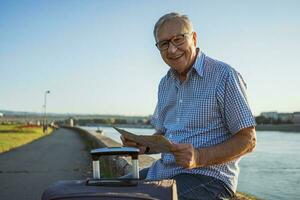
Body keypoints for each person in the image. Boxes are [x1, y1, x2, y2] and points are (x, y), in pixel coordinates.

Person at [121, 12, 256, 200]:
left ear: (193, 37)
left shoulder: (224, 75)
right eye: (164, 44)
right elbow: (164, 136)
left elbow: (248, 140)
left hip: (209, 179)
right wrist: (144, 146)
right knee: (104, 190)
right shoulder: (164, 83)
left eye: (178, 39)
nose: (172, 50)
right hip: (163, 173)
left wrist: (199, 157)